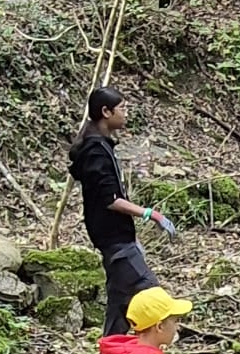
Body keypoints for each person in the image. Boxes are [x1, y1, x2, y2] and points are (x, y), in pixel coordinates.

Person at [68, 87, 175, 340]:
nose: (126, 113)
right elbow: (111, 200)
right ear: (106, 112)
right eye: (122, 108)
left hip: (116, 237)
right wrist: (151, 214)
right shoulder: (95, 151)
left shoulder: (102, 146)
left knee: (119, 304)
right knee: (152, 296)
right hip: (113, 239)